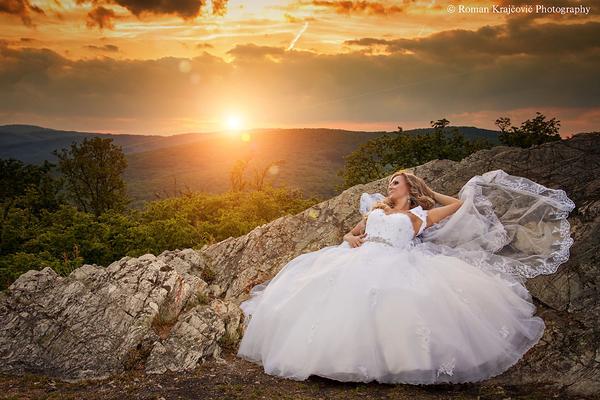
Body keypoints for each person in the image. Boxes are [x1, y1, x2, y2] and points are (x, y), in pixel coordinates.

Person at [236, 169, 575, 384]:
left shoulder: (419, 215)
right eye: (390, 182)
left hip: (397, 261)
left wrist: (426, 191)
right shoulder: (376, 208)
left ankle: (395, 365)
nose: (390, 185)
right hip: (359, 259)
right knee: (328, 298)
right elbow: (351, 233)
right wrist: (351, 239)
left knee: (398, 304)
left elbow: (459, 206)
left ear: (409, 187)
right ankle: (324, 360)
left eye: (396, 182)